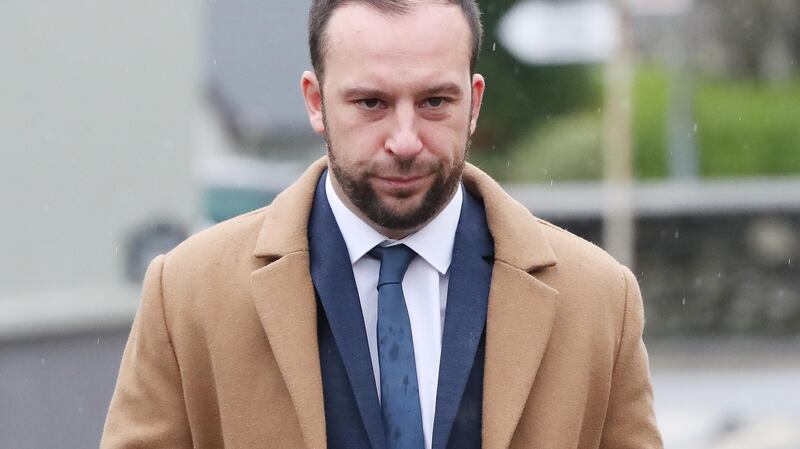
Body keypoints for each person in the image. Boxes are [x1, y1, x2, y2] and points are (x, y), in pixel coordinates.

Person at [101, 1, 662, 448]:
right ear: (315, 102)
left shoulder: (598, 300)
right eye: (371, 103)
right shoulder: (188, 294)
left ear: (474, 102)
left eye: (435, 101)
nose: (405, 140)